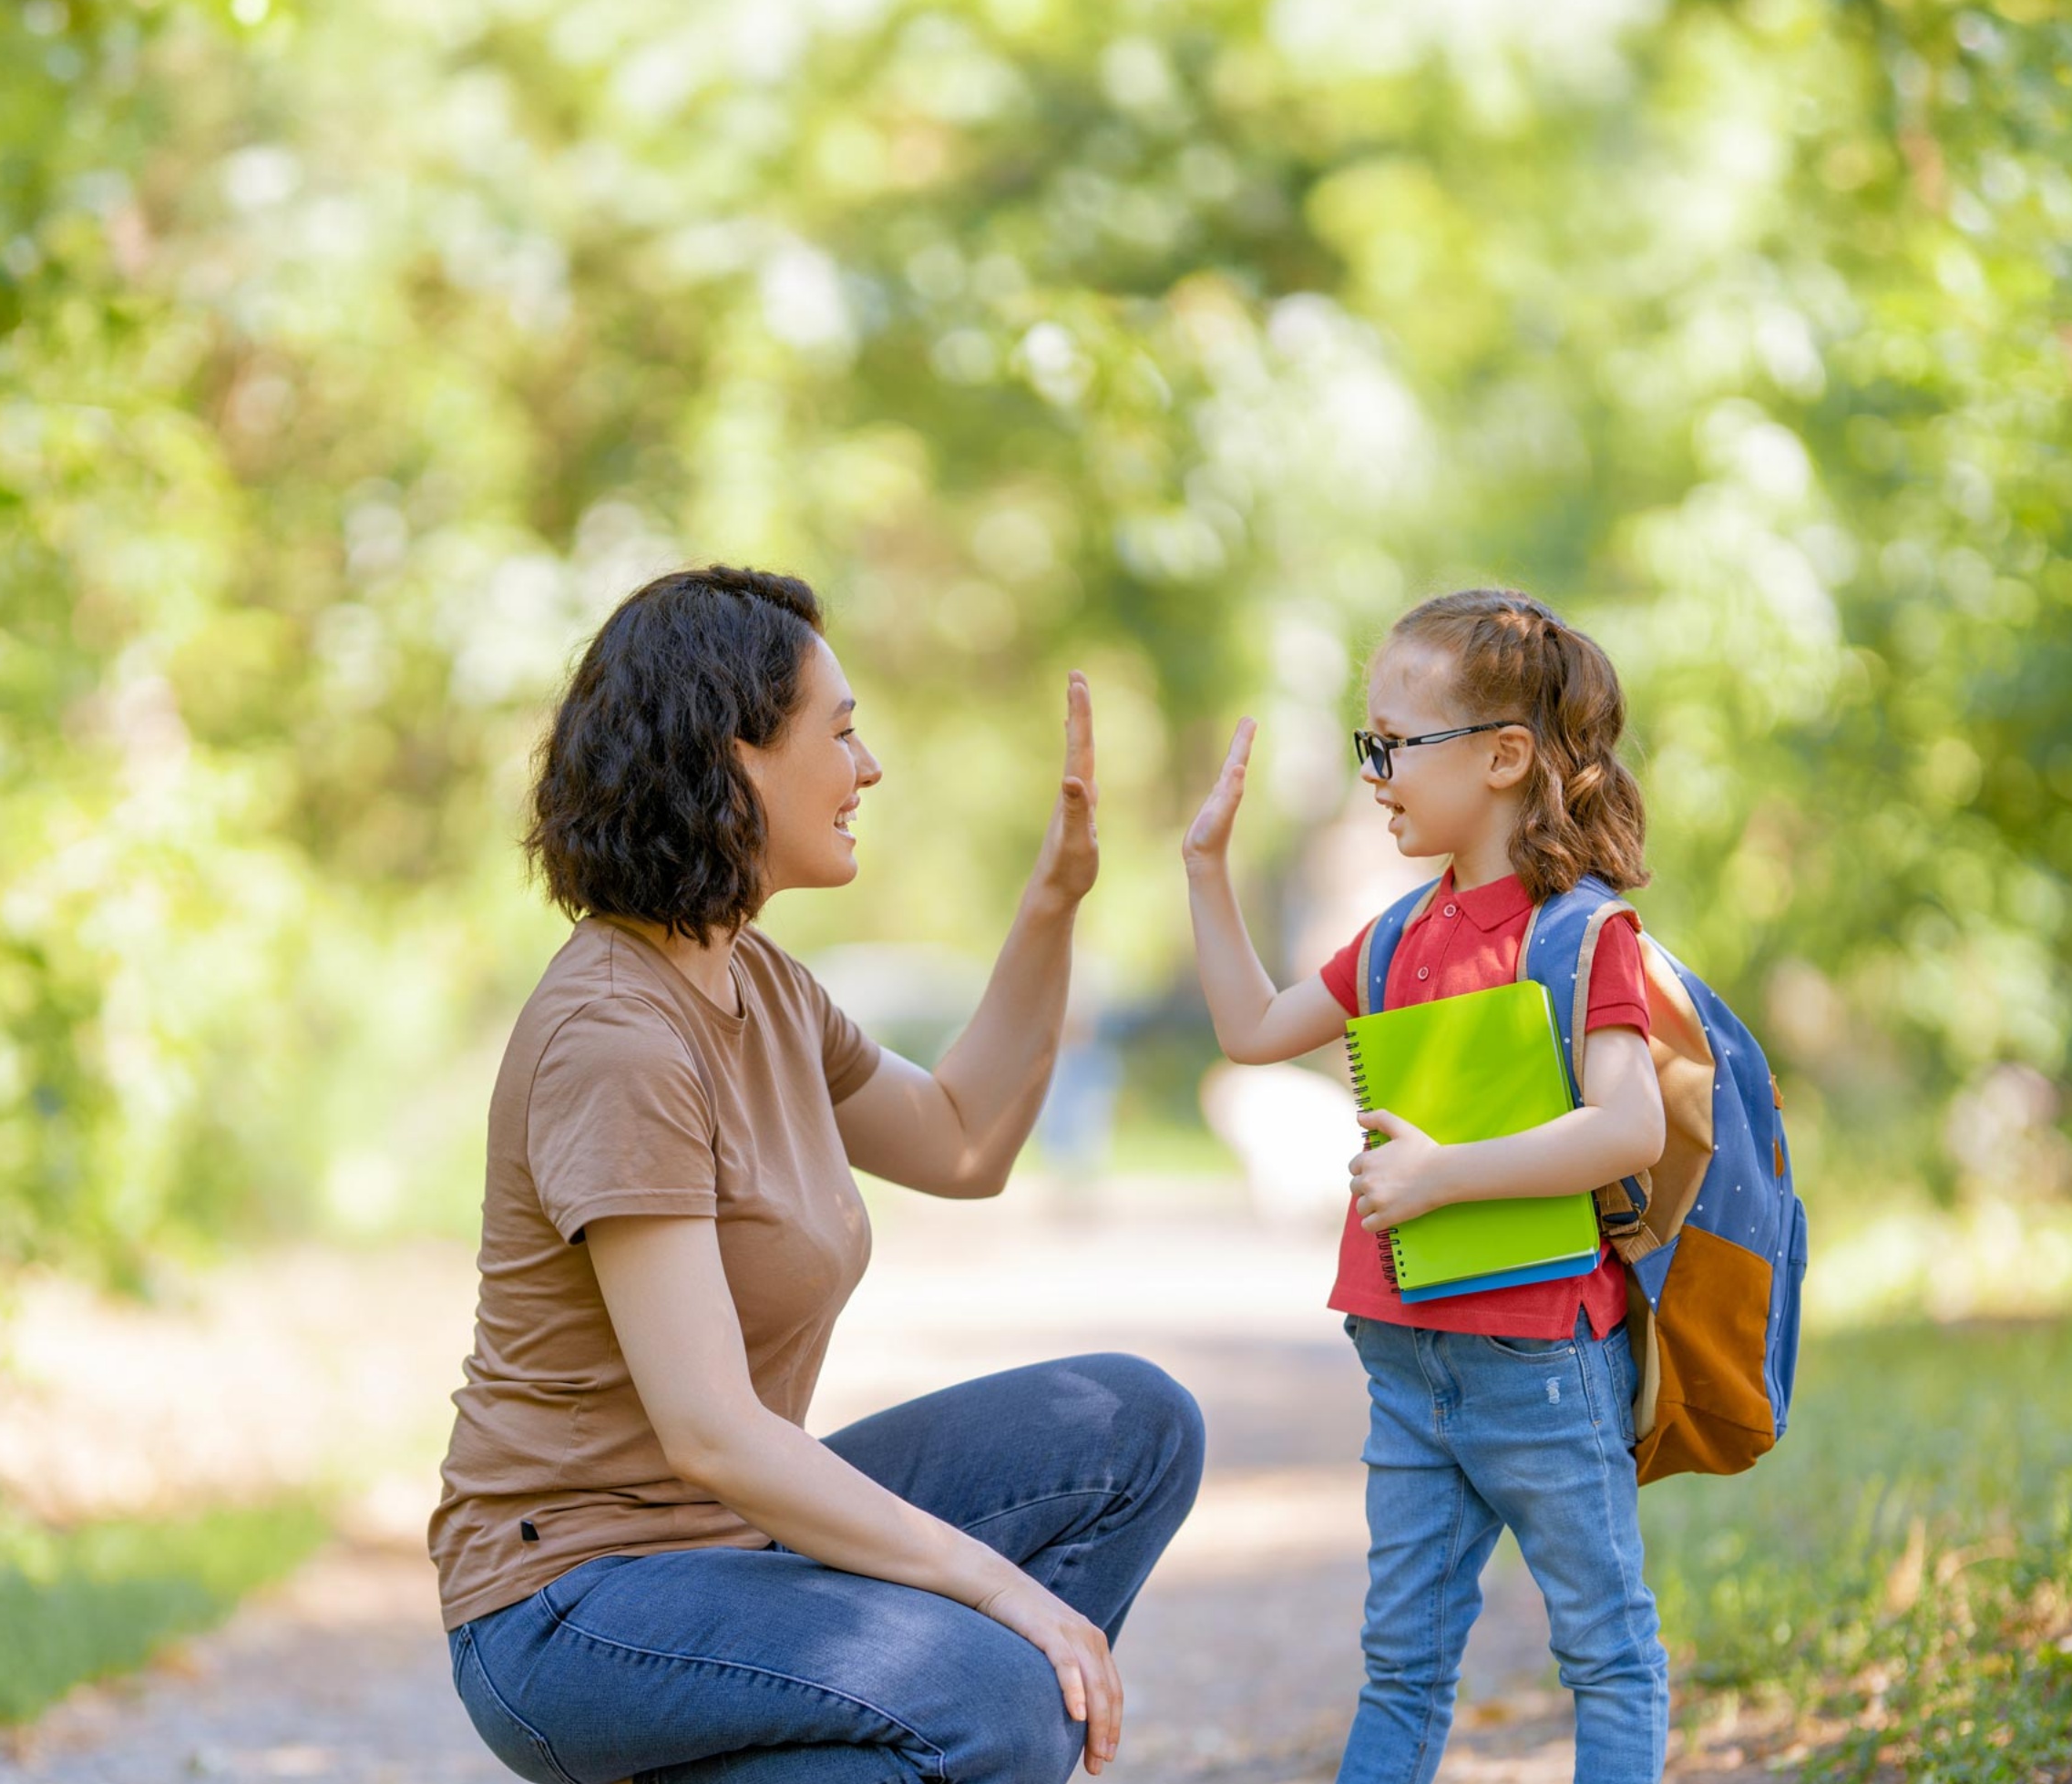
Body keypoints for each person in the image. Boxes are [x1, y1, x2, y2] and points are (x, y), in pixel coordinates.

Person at [435, 566, 1206, 1784]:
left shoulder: (762, 984)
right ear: (733, 758)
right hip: (568, 1608)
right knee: (994, 1694)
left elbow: (962, 1142)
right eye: (841, 732)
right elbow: (713, 1433)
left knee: (1130, 1423)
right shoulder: (618, 1036)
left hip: (730, 1551)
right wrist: (1003, 1597)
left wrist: (1054, 900)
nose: (870, 767)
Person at [1177, 589, 1673, 1784]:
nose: (1376, 772)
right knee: (1400, 1665)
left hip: (1542, 1362)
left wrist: (1448, 1176)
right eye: (1370, 746)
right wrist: (1203, 866)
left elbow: (1629, 1125)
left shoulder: (1579, 937)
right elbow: (1250, 1027)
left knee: (1606, 1653)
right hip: (1407, 1362)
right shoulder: (1397, 939)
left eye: (1394, 745)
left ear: (1505, 756)